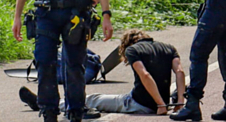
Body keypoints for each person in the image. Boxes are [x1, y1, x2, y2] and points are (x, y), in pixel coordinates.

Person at [19, 30, 185, 116]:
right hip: (161, 101)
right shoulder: (168, 48)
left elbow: (145, 75)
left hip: (139, 103)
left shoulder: (133, 50)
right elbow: (179, 72)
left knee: (93, 99)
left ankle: (44, 103)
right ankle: (45, 102)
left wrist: (160, 105)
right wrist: (179, 101)